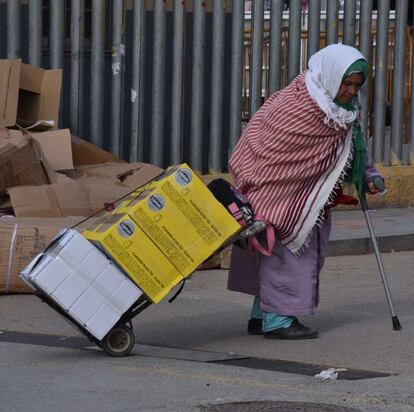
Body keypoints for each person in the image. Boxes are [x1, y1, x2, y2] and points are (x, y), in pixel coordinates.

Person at [227, 43, 384, 340]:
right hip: (281, 197)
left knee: (273, 257)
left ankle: (262, 314)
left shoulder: (341, 111)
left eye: (357, 85)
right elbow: (259, 141)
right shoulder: (297, 104)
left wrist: (369, 176)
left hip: (304, 198)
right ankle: (278, 321)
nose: (351, 91)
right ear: (330, 75)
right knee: (288, 257)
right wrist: (276, 186)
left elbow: (351, 147)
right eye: (346, 83)